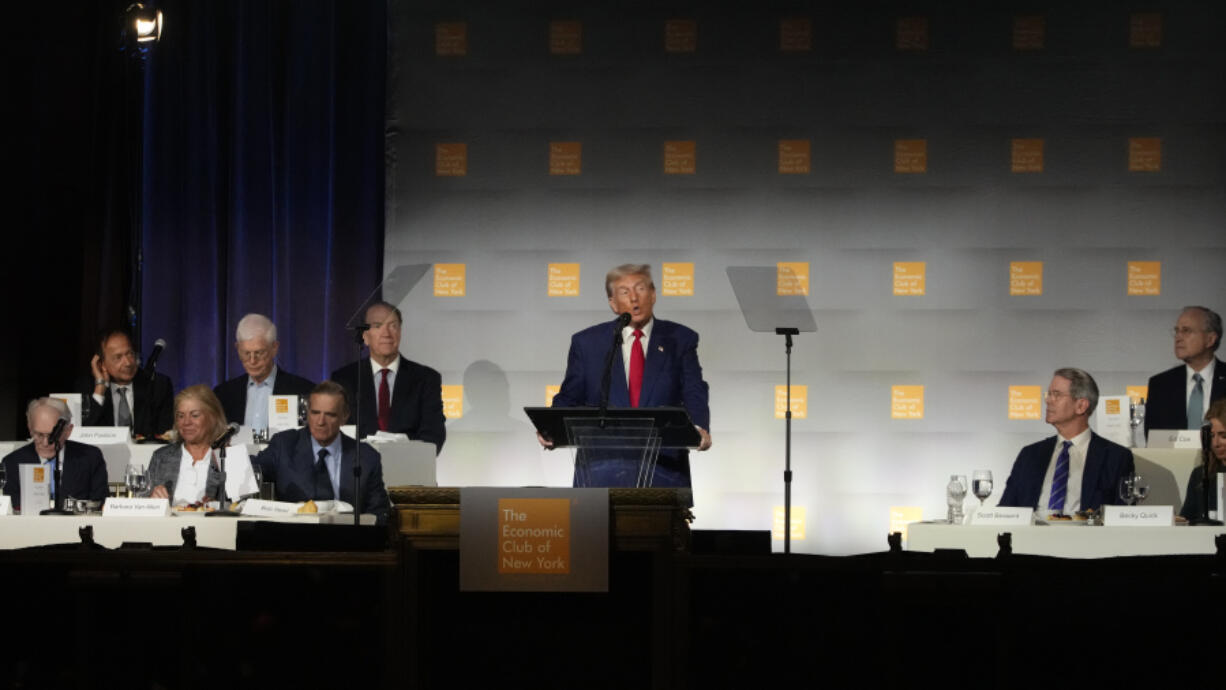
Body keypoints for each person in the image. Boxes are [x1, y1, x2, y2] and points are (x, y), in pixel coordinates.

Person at [541, 263, 711, 489]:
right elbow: (570, 395)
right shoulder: (588, 343)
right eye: (624, 292)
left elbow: (693, 389)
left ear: (653, 295)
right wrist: (551, 426)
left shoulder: (680, 339)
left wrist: (699, 427)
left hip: (663, 469)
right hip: (601, 469)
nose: (634, 298)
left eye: (640, 289)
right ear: (613, 303)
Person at [1000, 368, 1135, 513]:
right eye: (1049, 394)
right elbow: (1005, 511)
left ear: (1081, 406)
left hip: (1085, 534)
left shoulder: (1116, 458)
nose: (1048, 400)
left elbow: (1122, 515)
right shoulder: (1029, 455)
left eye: (1056, 395)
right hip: (1032, 534)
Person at [254, 381, 390, 521]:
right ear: (307, 413)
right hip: (294, 536)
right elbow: (251, 470)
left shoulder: (366, 457)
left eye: (330, 415)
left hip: (347, 538)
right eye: (315, 413)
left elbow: (379, 513)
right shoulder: (284, 445)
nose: (320, 422)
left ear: (344, 416)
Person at [331, 301, 446, 452]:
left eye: (393, 326)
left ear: (400, 332)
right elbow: (335, 431)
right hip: (359, 470)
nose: (386, 333)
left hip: (409, 468)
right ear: (365, 336)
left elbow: (433, 434)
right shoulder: (344, 379)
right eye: (377, 326)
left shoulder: (426, 379)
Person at [147, 385, 258, 506]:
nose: (186, 422)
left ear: (213, 417)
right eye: (180, 416)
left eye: (194, 415)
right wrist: (151, 498)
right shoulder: (161, 457)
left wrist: (217, 506)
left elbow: (245, 506)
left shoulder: (232, 456)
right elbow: (143, 502)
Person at [213, 313, 314, 433]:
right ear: (237, 348)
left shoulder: (302, 390)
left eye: (259, 353)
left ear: (274, 348)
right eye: (246, 353)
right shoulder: (223, 394)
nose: (252, 361)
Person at [2, 397, 108, 510]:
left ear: (68, 431)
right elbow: (10, 507)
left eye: (53, 435)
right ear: (30, 428)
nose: (45, 442)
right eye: (39, 435)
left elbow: (99, 501)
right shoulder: (12, 463)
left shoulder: (90, 458)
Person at [1144, 306, 1225, 436]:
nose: (1178, 338)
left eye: (1186, 331)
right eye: (1177, 331)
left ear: (1210, 339)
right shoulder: (1160, 384)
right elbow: (1154, 438)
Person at [80, 329, 174, 439]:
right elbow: (82, 436)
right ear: (102, 364)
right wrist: (100, 388)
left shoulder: (158, 385)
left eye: (130, 354)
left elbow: (164, 435)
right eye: (118, 357)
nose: (128, 363)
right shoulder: (88, 387)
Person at [1179, 398, 1226, 520]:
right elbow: (1187, 518)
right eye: (1211, 436)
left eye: (1223, 436)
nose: (1216, 443)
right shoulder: (1200, 474)